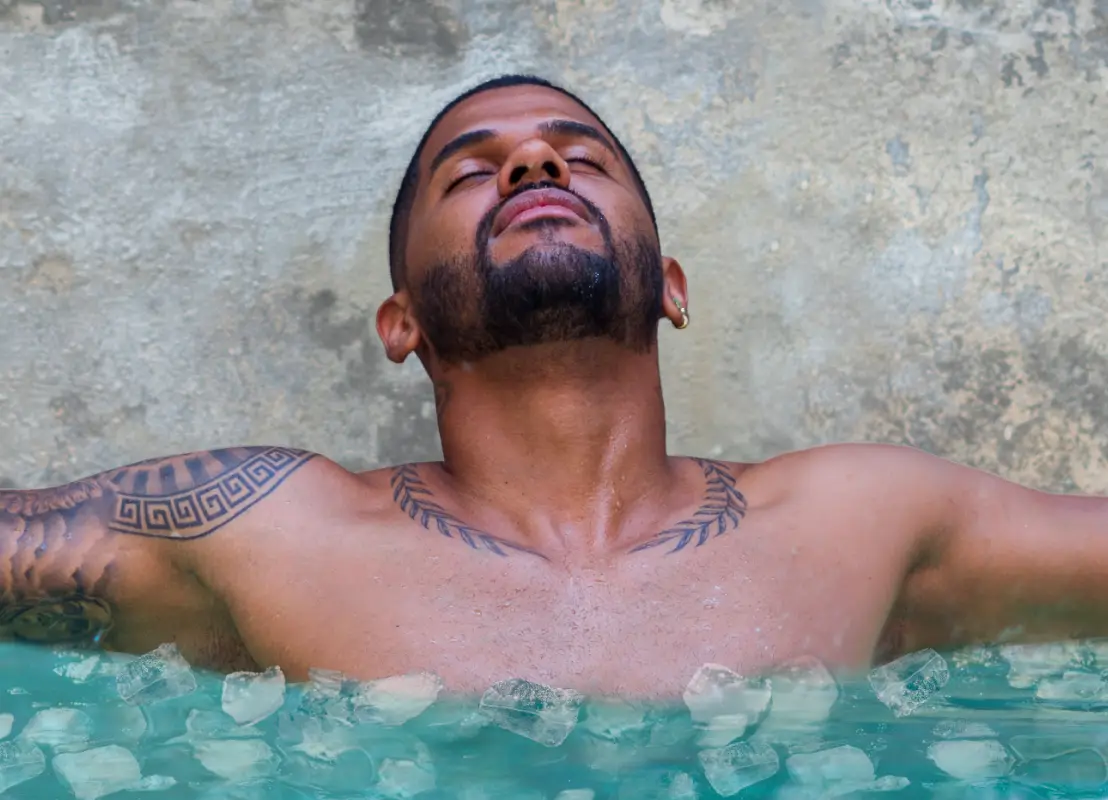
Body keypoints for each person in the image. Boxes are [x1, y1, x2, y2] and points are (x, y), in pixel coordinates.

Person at [2, 75, 1106, 698]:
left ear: (670, 285)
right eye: (473, 170)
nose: (534, 165)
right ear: (403, 323)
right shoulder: (266, 530)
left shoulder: (864, 519)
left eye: (580, 160)